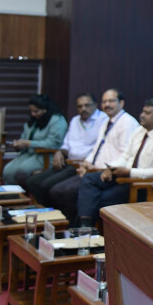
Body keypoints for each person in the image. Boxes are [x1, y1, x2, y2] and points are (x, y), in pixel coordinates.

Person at [77, 99, 153, 225]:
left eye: (147, 113)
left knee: (97, 199)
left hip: (143, 186)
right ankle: (85, 227)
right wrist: (111, 168)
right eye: (143, 111)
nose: (142, 115)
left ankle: (85, 229)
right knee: (88, 179)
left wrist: (129, 172)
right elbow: (126, 157)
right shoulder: (140, 131)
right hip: (124, 178)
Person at [48, 89, 139, 222]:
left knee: (66, 192)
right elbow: (97, 148)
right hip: (93, 171)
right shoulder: (107, 122)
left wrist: (109, 168)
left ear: (121, 103)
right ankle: (73, 226)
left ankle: (79, 227)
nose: (107, 104)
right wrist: (86, 163)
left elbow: (126, 154)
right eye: (104, 102)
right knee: (56, 190)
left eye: (111, 101)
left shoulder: (127, 123)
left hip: (109, 173)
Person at [25, 93, 108, 206]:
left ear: (95, 105)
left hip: (82, 165)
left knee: (47, 185)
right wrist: (59, 152)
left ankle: (56, 213)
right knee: (33, 181)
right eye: (79, 106)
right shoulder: (75, 120)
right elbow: (66, 144)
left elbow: (100, 149)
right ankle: (48, 210)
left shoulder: (104, 120)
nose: (83, 109)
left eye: (87, 105)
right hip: (67, 162)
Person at [3, 94, 68, 186]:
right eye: (31, 111)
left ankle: (25, 193)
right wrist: (18, 145)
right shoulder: (33, 121)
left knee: (22, 170)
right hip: (28, 154)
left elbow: (53, 143)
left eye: (36, 111)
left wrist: (27, 143)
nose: (33, 114)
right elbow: (24, 138)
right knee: (7, 170)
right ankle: (11, 193)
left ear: (45, 109)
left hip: (46, 156)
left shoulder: (57, 121)